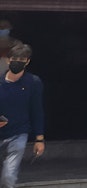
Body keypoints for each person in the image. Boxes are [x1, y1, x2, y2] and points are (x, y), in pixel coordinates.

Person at [0, 43, 44, 188]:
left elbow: (36, 110)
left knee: (8, 176)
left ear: (27, 61)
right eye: (14, 59)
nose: (17, 62)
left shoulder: (33, 82)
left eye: (21, 59)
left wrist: (39, 138)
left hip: (18, 133)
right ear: (8, 60)